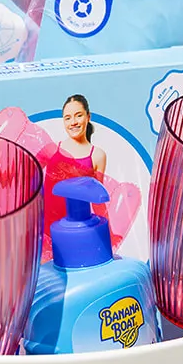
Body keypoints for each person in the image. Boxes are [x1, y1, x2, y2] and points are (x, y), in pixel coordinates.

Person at [41, 94, 107, 253]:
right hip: (44, 229)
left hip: (77, 230)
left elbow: (98, 201)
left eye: (78, 115)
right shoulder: (51, 150)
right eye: (68, 118)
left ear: (88, 116)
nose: (73, 122)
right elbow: (27, 175)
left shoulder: (97, 155)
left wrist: (106, 238)